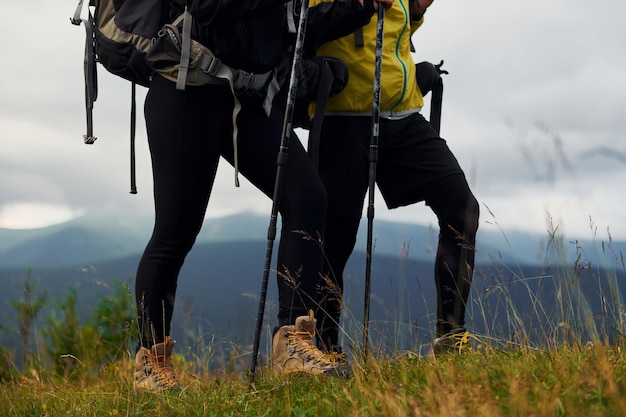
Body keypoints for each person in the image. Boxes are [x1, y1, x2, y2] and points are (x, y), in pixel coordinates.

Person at [132, 0, 343, 391]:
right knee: (176, 229)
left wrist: (361, 7)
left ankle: (293, 343)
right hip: (186, 85)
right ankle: (151, 363)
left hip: (247, 96)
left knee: (307, 198)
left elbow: (295, 24)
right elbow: (208, 9)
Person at [305, 0, 480, 354]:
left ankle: (451, 337)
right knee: (336, 237)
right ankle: (324, 349)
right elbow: (305, 26)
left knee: (462, 210)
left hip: (402, 112)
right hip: (344, 114)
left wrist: (414, 12)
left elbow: (393, 36)